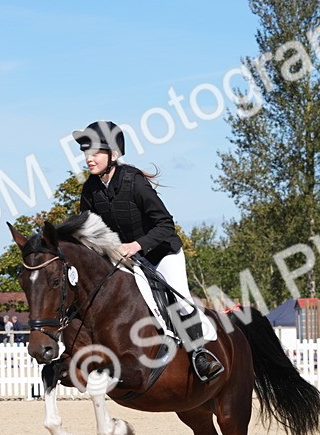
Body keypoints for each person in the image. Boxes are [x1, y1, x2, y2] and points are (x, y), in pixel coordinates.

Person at [73, 120, 223, 382]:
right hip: (128, 259)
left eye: (95, 152)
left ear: (114, 155)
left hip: (161, 253)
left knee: (180, 299)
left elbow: (166, 224)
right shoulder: (90, 190)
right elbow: (88, 231)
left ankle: (201, 354)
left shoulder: (134, 182)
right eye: (86, 153)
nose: (89, 158)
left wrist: (136, 245)